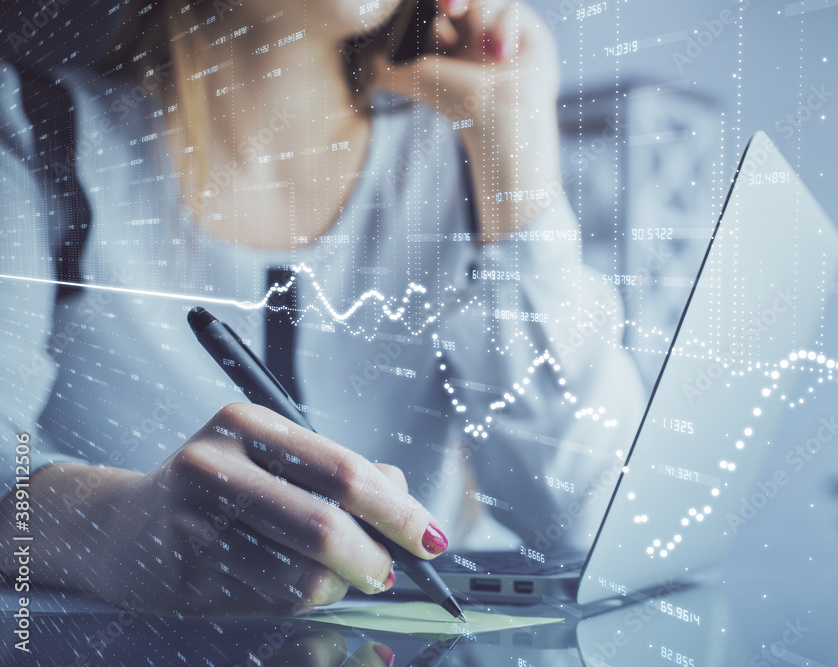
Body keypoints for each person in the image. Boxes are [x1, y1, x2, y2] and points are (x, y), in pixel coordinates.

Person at [0, 0, 644, 617]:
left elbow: (591, 519)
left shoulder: (464, 147)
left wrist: (515, 161)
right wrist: (115, 527)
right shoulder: (32, 131)